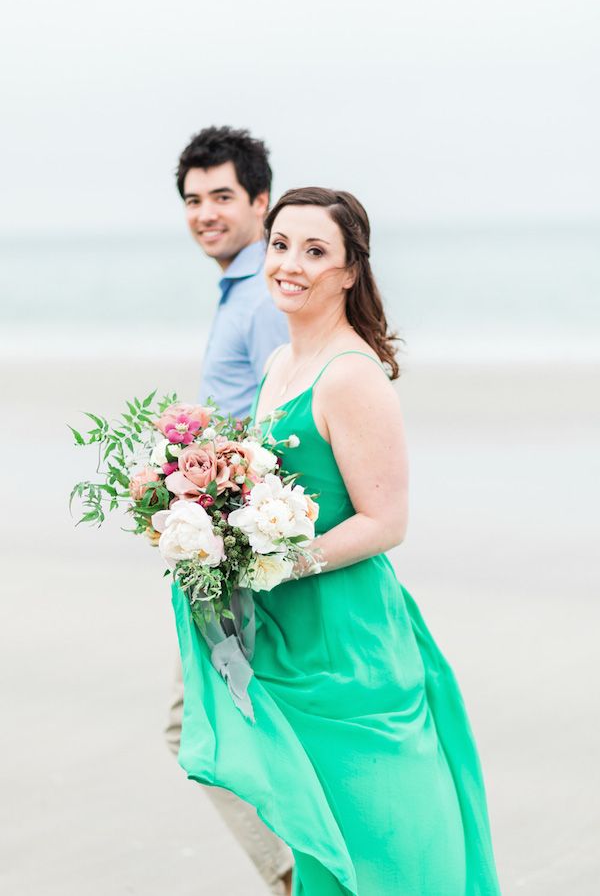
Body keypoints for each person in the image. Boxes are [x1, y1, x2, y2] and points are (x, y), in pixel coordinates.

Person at [172, 187, 502, 894]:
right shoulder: (277, 368)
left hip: (350, 642)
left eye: (316, 251)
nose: (290, 264)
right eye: (282, 245)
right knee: (321, 837)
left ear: (351, 271)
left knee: (388, 835)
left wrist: (272, 562)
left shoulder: (350, 377)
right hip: (288, 639)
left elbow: (387, 523)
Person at [166, 126, 292, 895]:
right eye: (192, 199)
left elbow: (289, 425)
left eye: (222, 197)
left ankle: (296, 876)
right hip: (228, 544)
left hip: (252, 555)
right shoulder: (240, 294)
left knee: (201, 726)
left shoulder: (262, 299)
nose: (205, 213)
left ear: (260, 201)